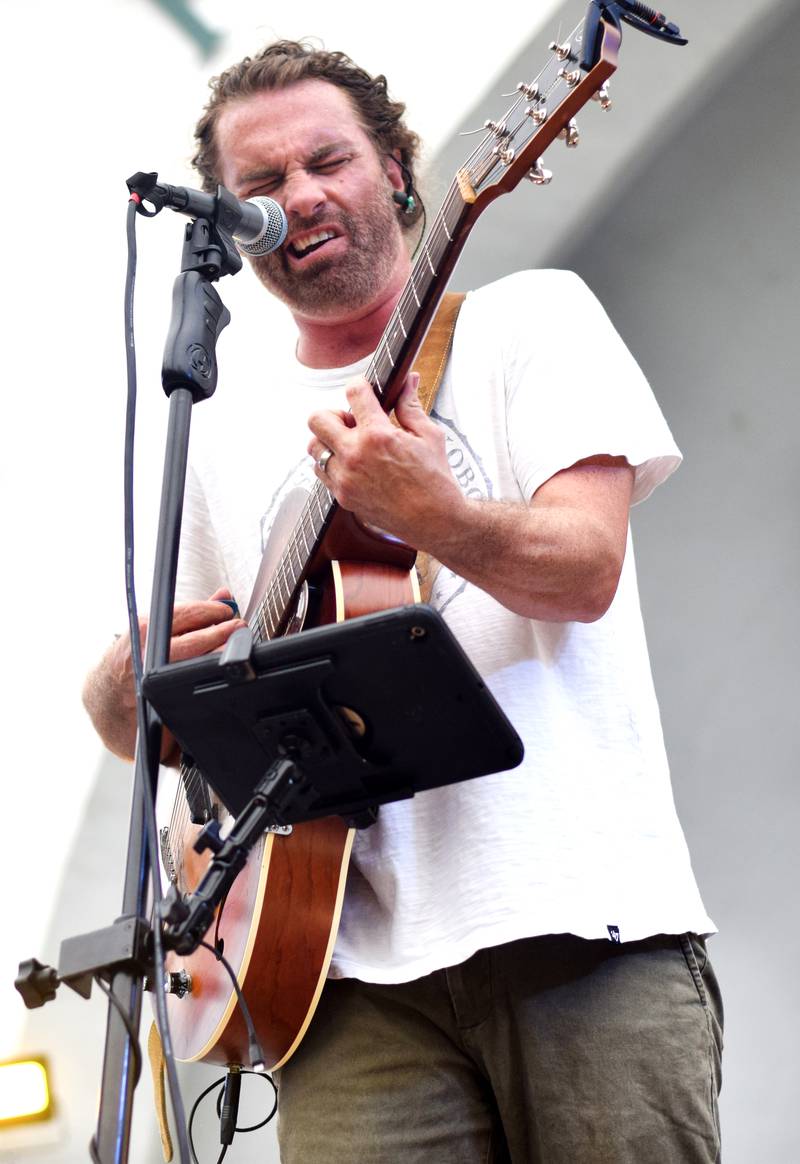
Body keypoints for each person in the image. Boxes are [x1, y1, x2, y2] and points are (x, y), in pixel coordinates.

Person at [83, 41, 723, 1164]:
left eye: (327, 160)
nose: (301, 197)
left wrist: (430, 512)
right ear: (230, 226)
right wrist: (113, 703)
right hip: (335, 973)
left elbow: (581, 570)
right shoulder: (218, 426)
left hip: (576, 924)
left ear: (394, 167)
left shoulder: (529, 323)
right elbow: (187, 709)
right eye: (262, 186)